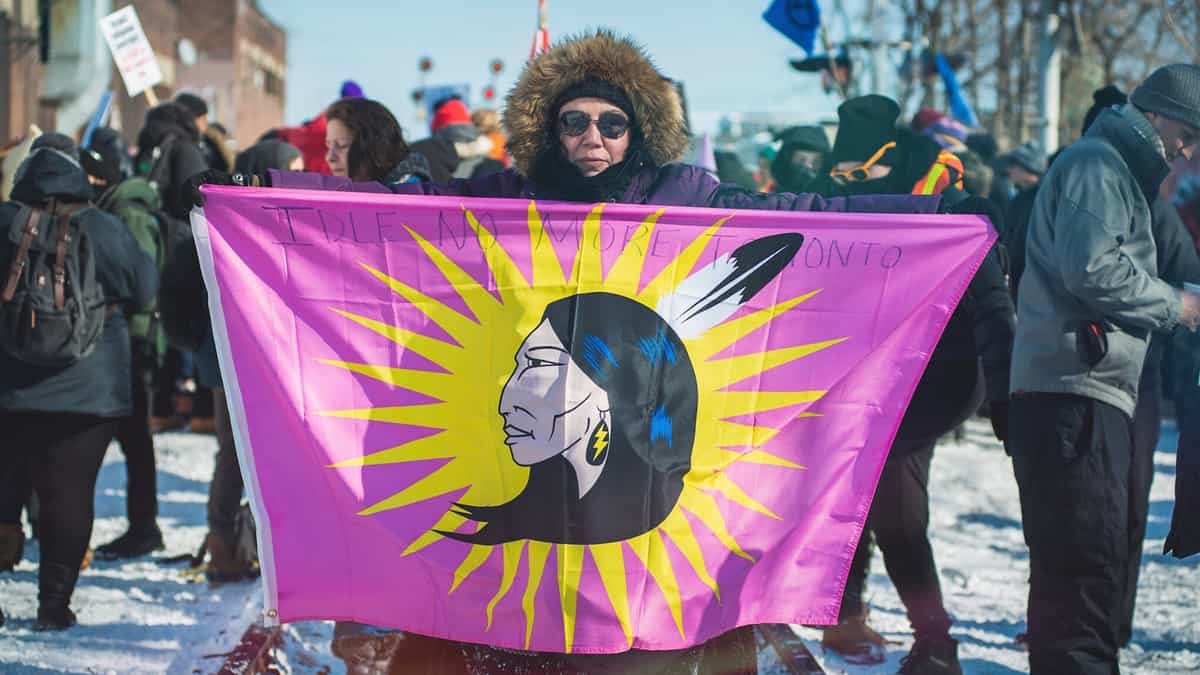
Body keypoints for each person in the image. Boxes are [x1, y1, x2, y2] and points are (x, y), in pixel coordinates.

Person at [190, 29, 954, 673]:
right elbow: (405, 210)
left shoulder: (684, 196)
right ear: (548, 130)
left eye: (611, 123)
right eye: (575, 122)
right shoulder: (507, 193)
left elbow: (804, 216)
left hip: (646, 530)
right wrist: (269, 195)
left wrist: (933, 218)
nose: (593, 138)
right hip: (512, 529)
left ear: (638, 131)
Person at [807, 94, 1012, 675]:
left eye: (860, 173)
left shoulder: (951, 206)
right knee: (845, 491)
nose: (848, 184)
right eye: (839, 174)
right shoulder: (835, 202)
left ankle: (936, 640)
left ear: (891, 158)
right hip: (863, 376)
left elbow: (995, 308)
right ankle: (846, 618)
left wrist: (1005, 394)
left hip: (941, 376)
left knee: (895, 503)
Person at [1008, 64, 1200, 674]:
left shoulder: (1117, 170)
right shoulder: (1098, 164)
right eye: (1188, 132)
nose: (1189, 149)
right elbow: (1092, 270)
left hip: (1083, 393)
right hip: (1073, 396)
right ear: (1158, 115)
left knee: (1079, 565)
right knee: (1084, 564)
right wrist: (1179, 305)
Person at [0, 134, 157, 629]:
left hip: (8, 386)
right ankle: (54, 605)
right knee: (70, 494)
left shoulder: (4, 223)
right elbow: (146, 289)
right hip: (90, 389)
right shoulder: (104, 228)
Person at [80, 128, 170, 560]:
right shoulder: (114, 204)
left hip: (133, 344)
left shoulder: (127, 211)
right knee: (131, 440)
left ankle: (143, 527)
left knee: (133, 441)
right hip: (127, 342)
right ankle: (141, 526)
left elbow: (143, 283)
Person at [324, 98, 431, 185]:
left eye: (342, 145)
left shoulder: (408, 199)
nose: (330, 157)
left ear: (377, 148)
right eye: (328, 146)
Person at [770, 125, 830, 192]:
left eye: (816, 162)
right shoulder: (767, 197)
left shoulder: (831, 198)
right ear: (786, 160)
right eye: (801, 160)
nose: (809, 166)